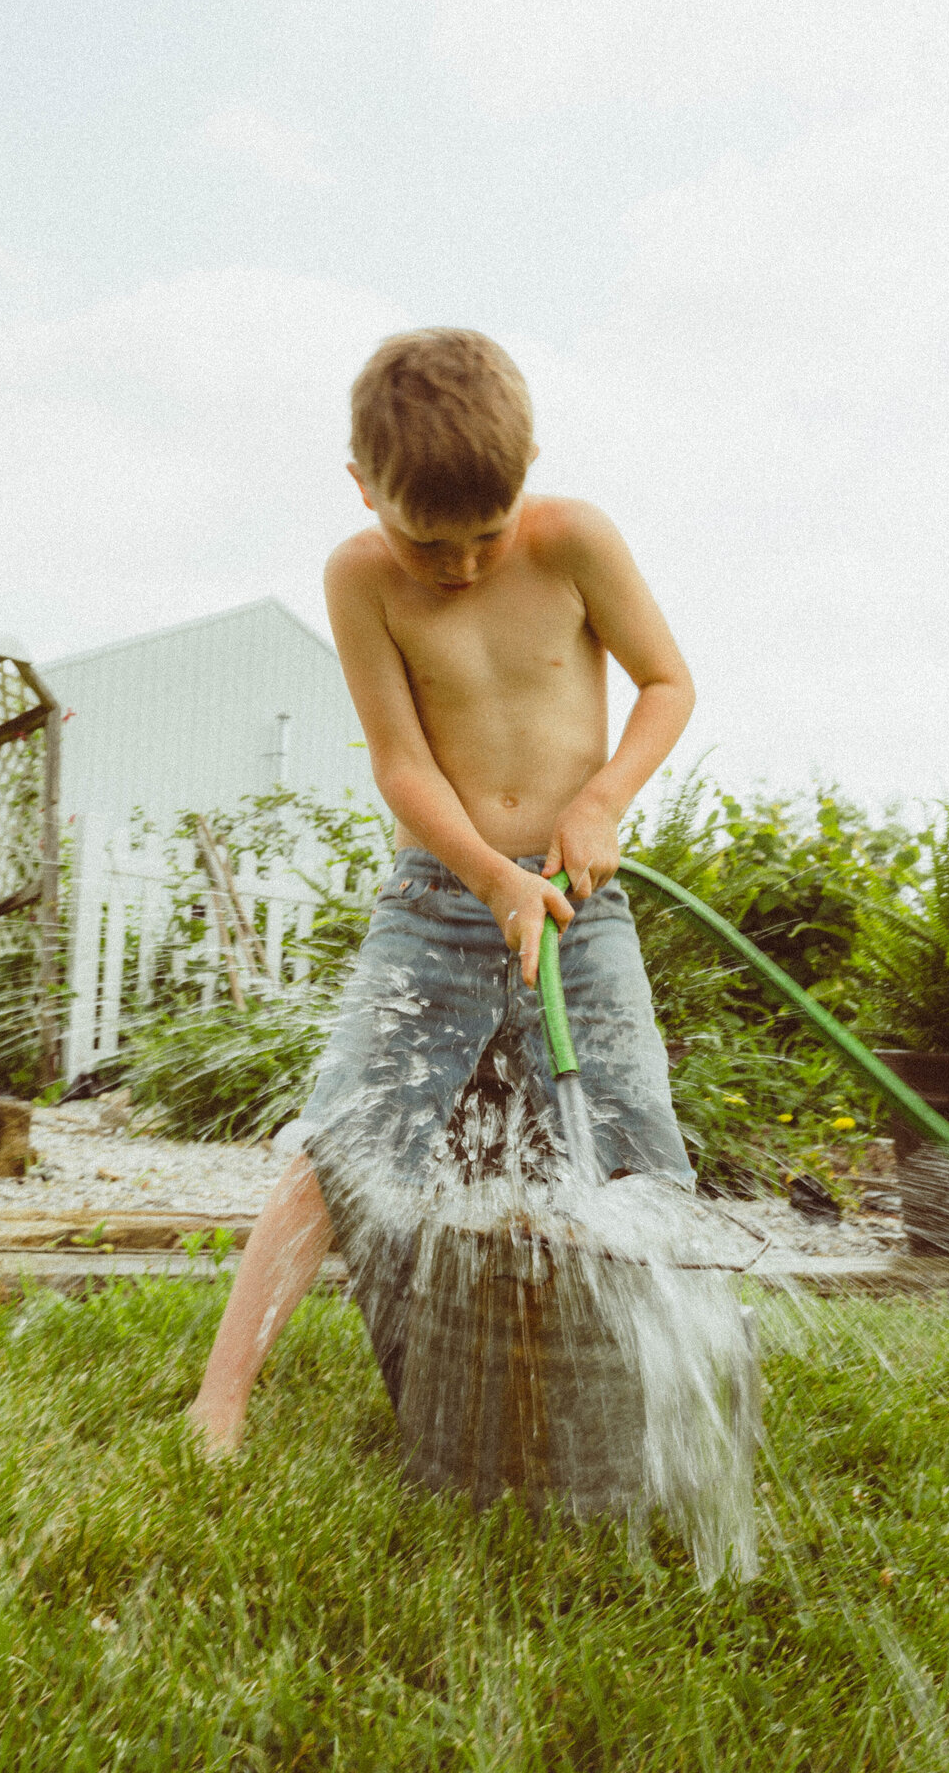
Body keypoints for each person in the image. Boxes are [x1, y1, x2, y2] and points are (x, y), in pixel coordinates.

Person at [187, 327, 697, 1457]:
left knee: (633, 1136)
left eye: (486, 536)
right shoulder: (359, 576)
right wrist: (486, 875)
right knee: (344, 1141)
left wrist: (602, 801)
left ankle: (665, 1401)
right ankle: (221, 1396)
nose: (460, 567)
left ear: (528, 477)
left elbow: (667, 682)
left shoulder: (573, 541)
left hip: (578, 905)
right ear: (364, 488)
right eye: (429, 542)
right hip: (437, 904)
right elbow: (402, 764)